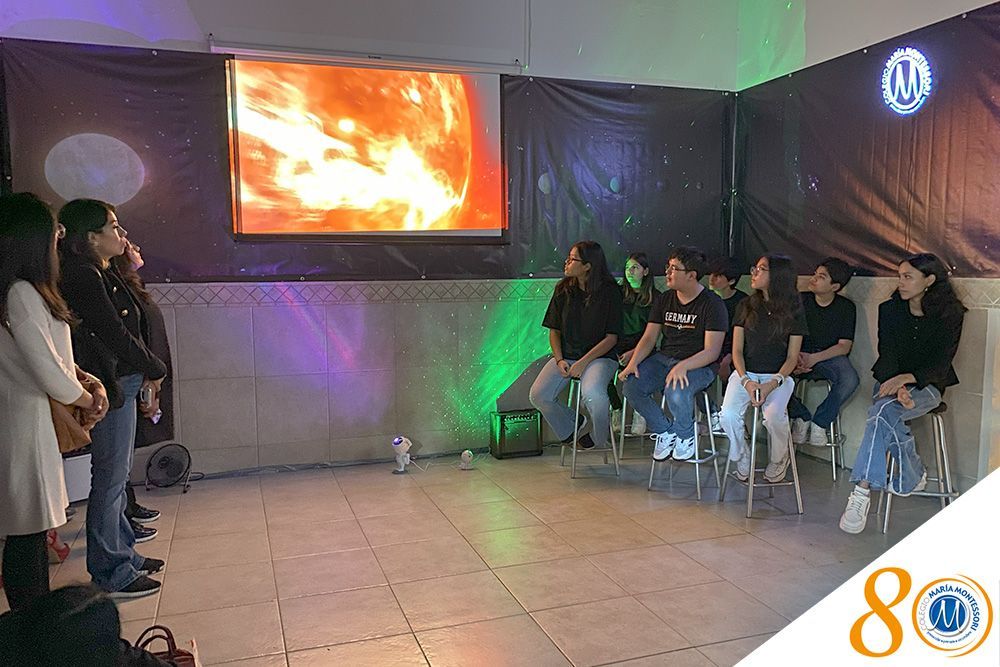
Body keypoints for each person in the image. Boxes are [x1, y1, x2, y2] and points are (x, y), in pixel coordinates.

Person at [0, 193, 107, 611]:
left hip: (28, 419)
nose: (59, 236)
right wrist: (86, 397)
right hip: (24, 422)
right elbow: (47, 369)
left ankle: (32, 621)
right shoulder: (21, 292)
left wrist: (84, 382)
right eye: (54, 229)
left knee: (29, 532)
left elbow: (53, 359)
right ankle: (32, 625)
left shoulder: (23, 291)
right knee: (26, 534)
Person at [59, 199, 167, 599]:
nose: (121, 234)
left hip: (121, 379)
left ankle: (124, 553)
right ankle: (111, 570)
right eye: (113, 227)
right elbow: (115, 334)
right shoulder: (83, 275)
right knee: (109, 478)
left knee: (117, 477)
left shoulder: (102, 271)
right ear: (91, 237)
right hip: (110, 382)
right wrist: (154, 366)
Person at [839, 253, 966, 534]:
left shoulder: (951, 314)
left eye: (908, 277)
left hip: (928, 385)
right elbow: (887, 354)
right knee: (883, 411)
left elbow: (942, 362)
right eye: (900, 276)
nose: (901, 282)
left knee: (880, 413)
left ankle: (861, 491)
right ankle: (911, 472)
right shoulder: (890, 309)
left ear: (929, 280)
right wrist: (896, 385)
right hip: (890, 381)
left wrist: (909, 380)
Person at [620, 247, 727, 461]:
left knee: (676, 390)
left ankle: (686, 436)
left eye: (674, 268)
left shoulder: (713, 304)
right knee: (632, 387)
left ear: (691, 275)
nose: (667, 272)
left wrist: (683, 366)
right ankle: (665, 431)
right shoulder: (665, 299)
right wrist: (634, 363)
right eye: (668, 267)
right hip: (664, 359)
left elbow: (712, 351)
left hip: (700, 364)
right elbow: (649, 337)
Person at [720, 254, 807, 483]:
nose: (754, 273)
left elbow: (792, 357)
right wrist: (746, 381)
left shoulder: (794, 310)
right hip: (745, 374)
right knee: (728, 415)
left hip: (778, 376)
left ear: (777, 276)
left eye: (761, 269)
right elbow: (737, 351)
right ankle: (742, 454)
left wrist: (773, 383)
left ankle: (779, 458)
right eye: (755, 268)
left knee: (774, 416)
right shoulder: (745, 305)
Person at [530, 241, 622, 451]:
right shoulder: (563, 290)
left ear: (588, 266)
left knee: (593, 394)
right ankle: (571, 425)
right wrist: (559, 359)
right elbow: (554, 330)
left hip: (600, 357)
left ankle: (599, 437)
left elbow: (611, 338)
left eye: (573, 259)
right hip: (568, 355)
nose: (567, 262)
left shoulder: (610, 292)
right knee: (538, 395)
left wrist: (583, 362)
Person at [112, 239, 173, 527]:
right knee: (117, 458)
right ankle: (123, 518)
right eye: (130, 246)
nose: (136, 248)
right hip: (134, 377)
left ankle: (129, 508)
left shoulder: (132, 287)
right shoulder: (119, 291)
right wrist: (150, 376)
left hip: (145, 375)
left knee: (125, 452)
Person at [788, 258, 860, 447]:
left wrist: (813, 359)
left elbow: (844, 346)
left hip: (826, 356)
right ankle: (800, 416)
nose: (813, 279)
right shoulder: (800, 300)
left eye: (821, 277)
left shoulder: (846, 307)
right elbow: (787, 334)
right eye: (815, 274)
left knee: (850, 379)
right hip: (797, 353)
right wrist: (795, 358)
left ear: (835, 286)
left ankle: (820, 422)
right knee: (772, 374)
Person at [610, 252, 660, 433]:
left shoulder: (656, 298)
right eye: (627, 268)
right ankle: (616, 407)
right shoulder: (617, 293)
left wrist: (634, 353)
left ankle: (641, 410)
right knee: (602, 369)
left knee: (640, 370)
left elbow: (652, 334)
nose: (629, 272)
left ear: (645, 271)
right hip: (617, 344)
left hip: (643, 346)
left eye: (635, 268)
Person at [707, 257, 748, 383]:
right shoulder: (706, 299)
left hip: (735, 353)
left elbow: (744, 336)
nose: (712, 279)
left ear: (731, 281)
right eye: (711, 274)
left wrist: (728, 357)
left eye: (718, 276)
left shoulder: (743, 302)